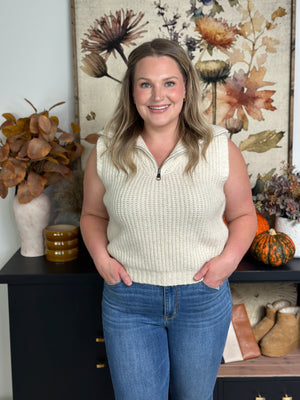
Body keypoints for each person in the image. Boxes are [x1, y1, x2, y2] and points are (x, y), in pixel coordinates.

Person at [80, 38, 257, 400]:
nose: (157, 95)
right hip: (129, 301)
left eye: (169, 83)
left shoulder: (220, 147)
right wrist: (102, 260)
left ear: (186, 88)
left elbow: (243, 215)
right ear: (132, 92)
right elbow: (92, 214)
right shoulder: (107, 150)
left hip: (201, 300)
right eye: (145, 84)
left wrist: (227, 262)